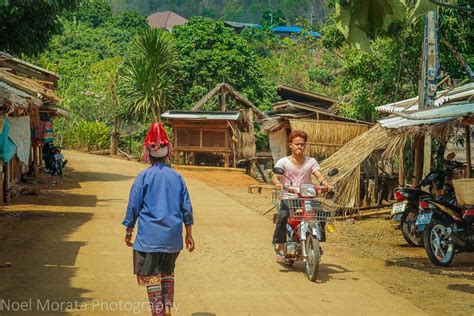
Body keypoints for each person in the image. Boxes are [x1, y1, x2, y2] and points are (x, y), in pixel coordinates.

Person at [122, 123, 195, 316]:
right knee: (167, 273)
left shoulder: (143, 176)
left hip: (149, 239)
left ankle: (158, 312)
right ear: (167, 152)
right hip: (172, 239)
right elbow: (186, 207)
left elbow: (133, 206)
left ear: (148, 153)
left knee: (152, 276)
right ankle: (167, 308)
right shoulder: (177, 177)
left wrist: (129, 230)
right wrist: (189, 235)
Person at [272, 130, 332, 261]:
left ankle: (316, 242)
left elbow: (319, 176)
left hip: (307, 198)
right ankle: (281, 248)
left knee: (321, 214)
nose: (299, 146)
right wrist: (278, 183)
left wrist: (327, 184)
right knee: (282, 216)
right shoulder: (283, 162)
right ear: (290, 145)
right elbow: (275, 176)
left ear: (305, 146)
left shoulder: (311, 161)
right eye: (297, 144)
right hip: (289, 197)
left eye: (302, 144)